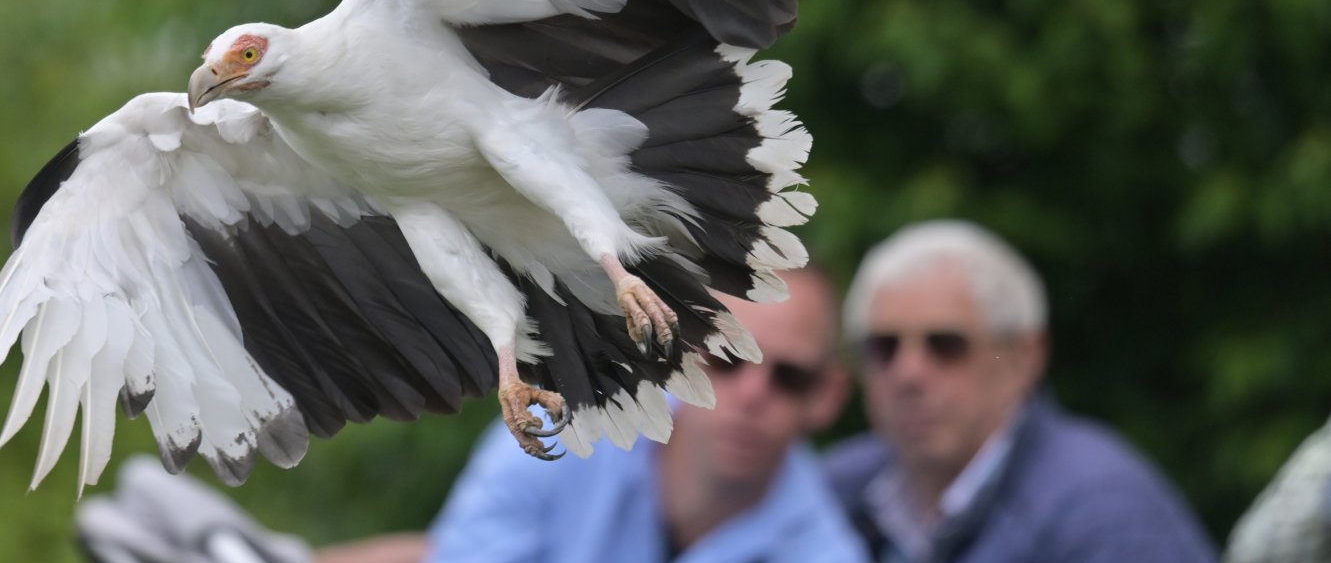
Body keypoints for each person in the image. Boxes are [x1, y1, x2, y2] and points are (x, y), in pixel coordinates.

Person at [825, 219, 1215, 562]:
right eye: (883, 347)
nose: (908, 372)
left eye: (946, 345)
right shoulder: (834, 490)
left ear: (1024, 358)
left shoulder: (1104, 511)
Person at [423, 266, 866, 563]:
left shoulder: (826, 552)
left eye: (790, 378)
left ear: (827, 396)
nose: (753, 394)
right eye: (728, 359)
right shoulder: (561, 431)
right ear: (681, 352)